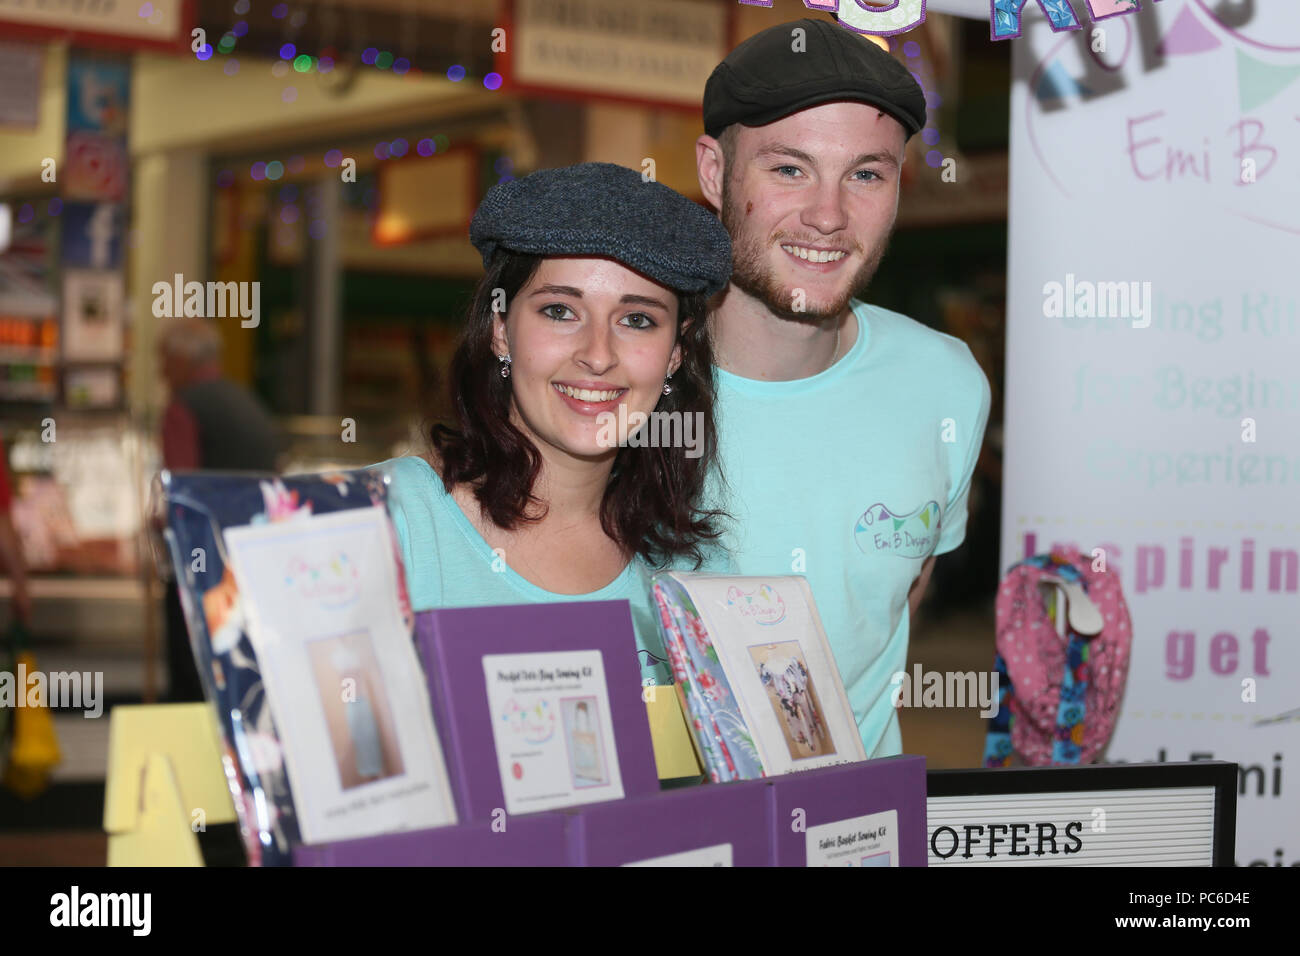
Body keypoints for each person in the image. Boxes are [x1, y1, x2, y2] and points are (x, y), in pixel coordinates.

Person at [694, 18, 992, 759]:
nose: (828, 216)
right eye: (788, 169)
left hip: (860, 830)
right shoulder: (625, 387)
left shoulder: (945, 382)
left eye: (866, 174)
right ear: (714, 173)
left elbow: (899, 596)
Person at [372, 163, 733, 691]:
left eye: (637, 319)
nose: (597, 355)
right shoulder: (389, 520)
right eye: (560, 311)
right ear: (500, 330)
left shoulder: (697, 574)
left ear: (676, 353)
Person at [158, 316, 283, 701]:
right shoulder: (251, 403)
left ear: (182, 360)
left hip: (201, 570)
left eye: (163, 359)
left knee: (190, 685)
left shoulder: (183, 409)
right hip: (252, 565)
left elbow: (181, 497)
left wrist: (156, 528)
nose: (160, 371)